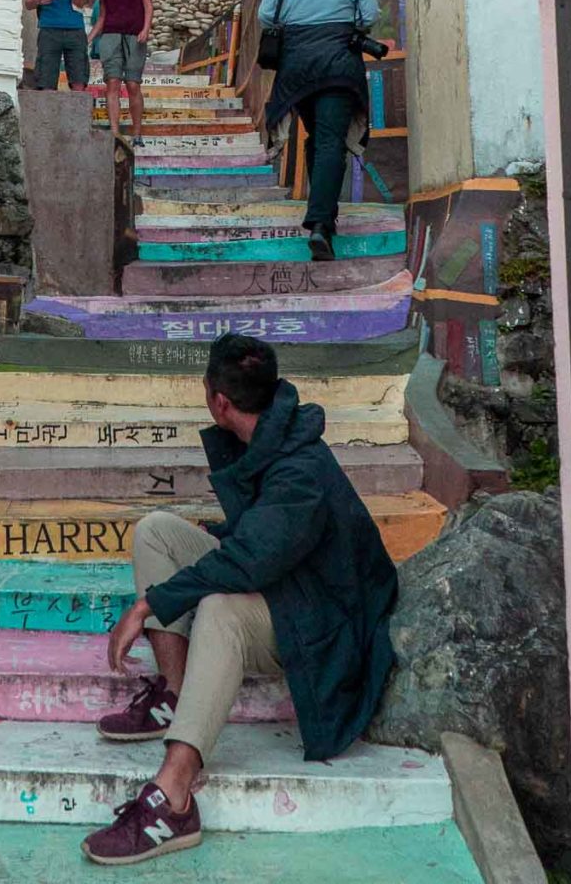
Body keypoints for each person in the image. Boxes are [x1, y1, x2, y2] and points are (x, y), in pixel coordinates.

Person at [80, 334, 398, 866]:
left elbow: (252, 559)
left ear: (219, 402)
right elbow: (266, 537)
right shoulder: (273, 437)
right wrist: (224, 534)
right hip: (290, 586)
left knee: (220, 610)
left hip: (322, 621)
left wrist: (146, 606)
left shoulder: (300, 468)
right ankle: (177, 698)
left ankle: (175, 798)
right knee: (157, 531)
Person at [258, 0, 378, 261]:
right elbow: (368, 15)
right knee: (330, 141)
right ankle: (321, 225)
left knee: (318, 138)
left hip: (296, 67)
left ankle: (322, 216)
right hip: (339, 62)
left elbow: (266, 16)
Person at [88, 0, 153, 146]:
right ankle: (115, 133)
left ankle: (137, 133)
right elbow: (102, 16)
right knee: (113, 82)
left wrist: (145, 28)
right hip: (110, 36)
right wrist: (89, 38)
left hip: (135, 35)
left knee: (133, 84)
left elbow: (148, 6)